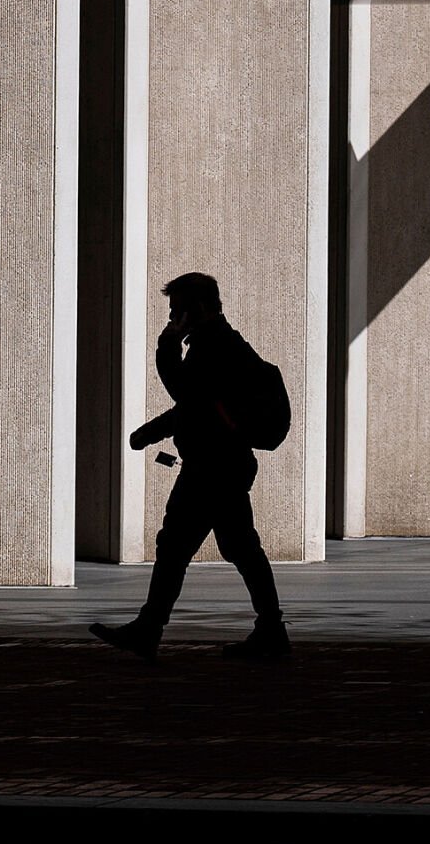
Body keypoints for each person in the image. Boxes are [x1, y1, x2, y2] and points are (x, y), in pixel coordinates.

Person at [90, 273, 289, 662]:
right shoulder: (221, 345)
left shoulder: (216, 347)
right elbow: (196, 405)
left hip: (212, 467)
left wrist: (167, 345)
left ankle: (150, 629)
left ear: (196, 308)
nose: (171, 317)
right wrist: (150, 433)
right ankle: (270, 630)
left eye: (176, 310)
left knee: (180, 547)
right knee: (237, 548)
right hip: (220, 464)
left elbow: (186, 394)